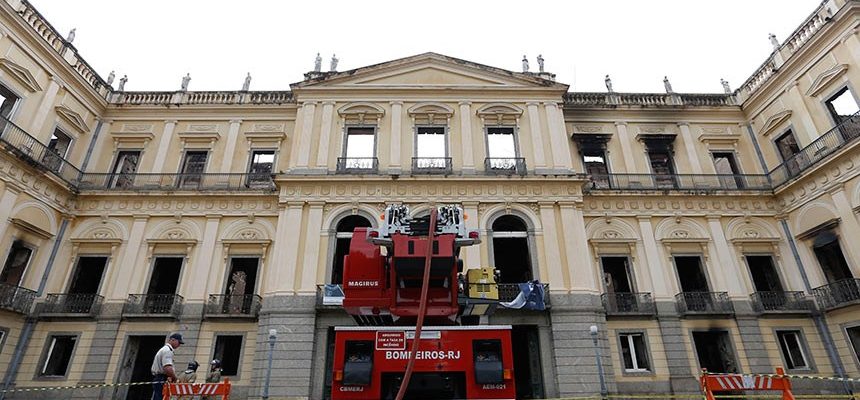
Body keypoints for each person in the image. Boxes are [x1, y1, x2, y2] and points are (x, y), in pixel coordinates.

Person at [151, 333, 184, 400]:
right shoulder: (168, 351)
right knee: (160, 398)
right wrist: (175, 378)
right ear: (172, 340)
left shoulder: (164, 349)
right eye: (179, 342)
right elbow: (167, 368)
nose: (179, 345)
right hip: (162, 378)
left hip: (159, 378)